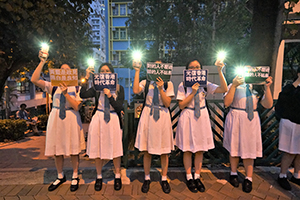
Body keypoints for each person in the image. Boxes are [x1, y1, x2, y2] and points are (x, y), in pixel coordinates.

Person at [31, 51, 85, 192]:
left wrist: (66, 93)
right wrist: (42, 61)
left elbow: (76, 106)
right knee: (57, 149)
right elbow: (34, 80)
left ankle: (75, 175)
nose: (64, 72)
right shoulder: (52, 86)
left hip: (71, 117)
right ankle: (60, 175)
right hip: (56, 118)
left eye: (67, 70)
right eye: (61, 70)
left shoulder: (78, 88)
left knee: (74, 149)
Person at [175, 59, 228, 193]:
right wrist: (192, 92)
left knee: (199, 149)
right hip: (188, 116)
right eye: (191, 67)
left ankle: (197, 176)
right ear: (187, 70)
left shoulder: (205, 84)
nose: (194, 69)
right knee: (187, 149)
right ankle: (189, 176)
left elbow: (224, 89)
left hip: (201, 117)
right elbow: (181, 105)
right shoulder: (183, 85)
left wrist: (220, 71)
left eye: (197, 67)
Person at [223, 73, 273, 193]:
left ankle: (248, 177)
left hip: (251, 120)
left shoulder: (257, 86)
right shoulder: (232, 85)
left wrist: (267, 87)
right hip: (236, 116)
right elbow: (226, 103)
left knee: (250, 149)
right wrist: (234, 86)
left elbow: (268, 104)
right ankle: (233, 173)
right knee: (234, 147)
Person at [80, 63, 124, 191]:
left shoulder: (119, 88)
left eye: (107, 71)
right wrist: (86, 77)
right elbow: (82, 94)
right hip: (98, 117)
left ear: (112, 73)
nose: (105, 73)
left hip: (113, 118)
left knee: (116, 149)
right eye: (102, 71)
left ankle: (117, 175)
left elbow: (119, 107)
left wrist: (110, 96)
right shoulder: (95, 88)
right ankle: (99, 176)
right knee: (97, 148)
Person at [133, 60, 175, 194]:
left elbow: (167, 103)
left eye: (160, 66)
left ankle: (164, 178)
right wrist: (137, 70)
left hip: (162, 115)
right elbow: (135, 90)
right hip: (148, 115)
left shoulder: (169, 83)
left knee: (164, 151)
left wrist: (161, 88)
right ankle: (147, 177)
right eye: (155, 66)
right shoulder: (146, 83)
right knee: (147, 150)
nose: (157, 69)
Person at [275, 66, 300, 190]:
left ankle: (296, 175)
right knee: (289, 151)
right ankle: (282, 175)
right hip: (290, 122)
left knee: (299, 152)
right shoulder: (290, 88)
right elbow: (283, 101)